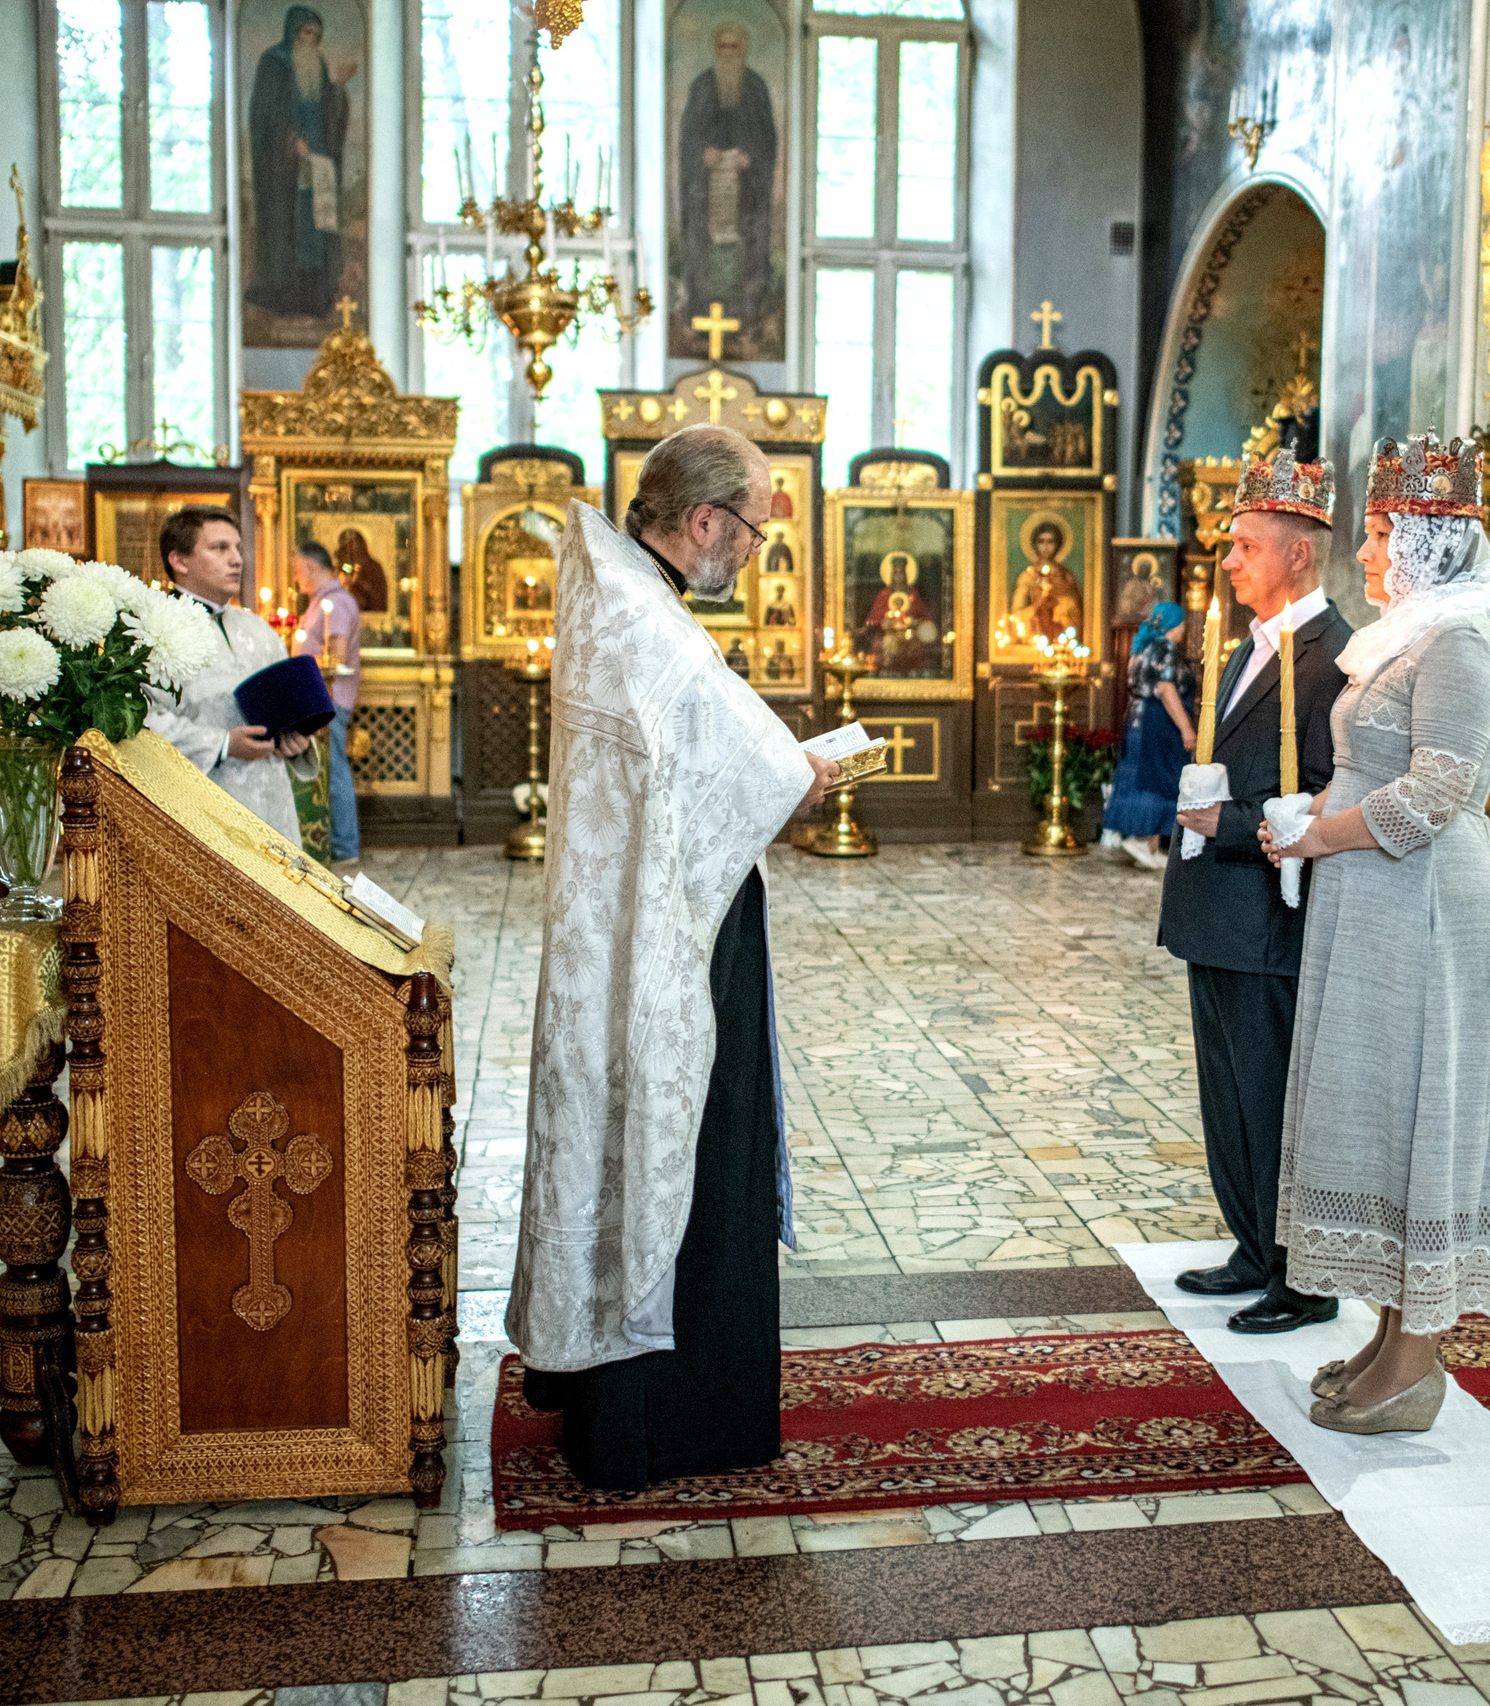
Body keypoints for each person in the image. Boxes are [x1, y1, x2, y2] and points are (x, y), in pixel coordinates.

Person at [510, 422, 839, 1493]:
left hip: (643, 917)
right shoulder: (655, 627)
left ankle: (612, 1389)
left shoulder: (618, 598)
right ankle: (678, 1418)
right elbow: (747, 775)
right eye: (751, 525)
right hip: (671, 939)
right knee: (695, 1135)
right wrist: (805, 775)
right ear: (704, 519)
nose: (755, 547)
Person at [1258, 433, 1490, 1434]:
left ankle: (1415, 1363)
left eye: (1379, 535)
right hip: (1373, 910)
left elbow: (1433, 794)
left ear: (1427, 542)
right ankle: (1387, 1333)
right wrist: (1305, 824)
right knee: (1376, 1113)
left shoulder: (1461, 642)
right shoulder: (1403, 640)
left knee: (1421, 1116)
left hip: (1425, 911)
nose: (1365, 554)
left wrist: (1315, 838)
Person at [1159, 448, 1350, 1334]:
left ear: (1296, 555)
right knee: (1228, 1094)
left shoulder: (1334, 660)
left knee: (1275, 1100)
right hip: (1218, 914)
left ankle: (1304, 1276)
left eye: (1243, 546)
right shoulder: (1246, 643)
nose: (1229, 561)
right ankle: (1251, 1243)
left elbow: (1324, 792)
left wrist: (1227, 826)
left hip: (1272, 916)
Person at [142, 506, 319, 842]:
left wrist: (294, 740)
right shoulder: (152, 631)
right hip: (203, 809)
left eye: (237, 548)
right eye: (220, 548)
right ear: (180, 561)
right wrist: (223, 744)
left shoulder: (258, 629)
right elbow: (144, 722)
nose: (237, 560)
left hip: (270, 803)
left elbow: (285, 708)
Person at [247, 6, 357, 323]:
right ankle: (281, 293)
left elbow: (327, 111)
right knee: (287, 229)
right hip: (284, 170)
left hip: (315, 167)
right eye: (306, 33)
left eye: (316, 36)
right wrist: (289, 139)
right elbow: (263, 116)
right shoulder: (274, 64)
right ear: (293, 33)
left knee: (313, 229)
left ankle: (313, 295)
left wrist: (338, 88)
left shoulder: (317, 65)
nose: (310, 41)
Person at [678, 24, 778, 348]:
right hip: (706, 197)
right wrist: (702, 155)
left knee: (748, 254)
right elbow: (688, 142)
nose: (728, 54)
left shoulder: (756, 89)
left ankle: (747, 319)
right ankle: (700, 316)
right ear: (714, 50)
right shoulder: (703, 86)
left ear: (743, 51)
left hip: (746, 197)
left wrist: (749, 159)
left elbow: (767, 142)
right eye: (722, 47)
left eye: (734, 48)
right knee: (702, 253)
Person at [1099, 600, 1198, 870]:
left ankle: (1149, 848)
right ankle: (1142, 840)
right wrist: (1186, 728)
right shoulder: (1165, 647)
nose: (1184, 627)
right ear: (1173, 624)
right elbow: (1166, 689)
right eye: (1182, 622)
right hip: (1159, 721)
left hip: (1137, 719)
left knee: (1143, 778)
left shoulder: (1142, 646)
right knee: (1159, 778)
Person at [290, 539, 362, 868]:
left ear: (310, 567)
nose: (296, 578)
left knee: (332, 768)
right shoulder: (319, 602)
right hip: (315, 695)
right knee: (326, 766)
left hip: (329, 696)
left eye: (298, 570)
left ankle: (344, 846)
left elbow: (338, 655)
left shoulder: (338, 603)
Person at [1008, 520, 1084, 647]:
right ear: (1035, 544)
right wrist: (1038, 606)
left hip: (1062, 633)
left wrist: (1061, 606)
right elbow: (1017, 612)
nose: (1046, 546)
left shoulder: (1066, 576)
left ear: (1057, 544)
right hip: (1036, 633)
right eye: (1041, 541)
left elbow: (1076, 610)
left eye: (1050, 542)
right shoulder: (1027, 577)